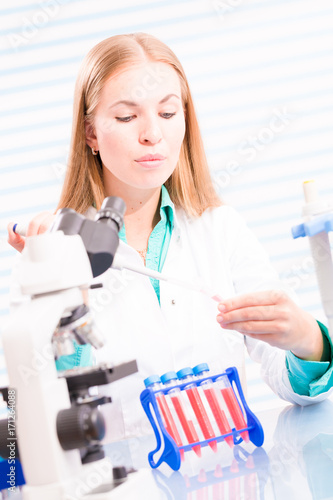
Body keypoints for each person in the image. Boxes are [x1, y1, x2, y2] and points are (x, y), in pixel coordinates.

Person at [7, 33, 333, 441]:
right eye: (127, 118)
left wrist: (306, 339)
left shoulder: (220, 229)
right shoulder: (54, 250)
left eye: (167, 112)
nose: (151, 134)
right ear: (90, 133)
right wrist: (66, 297)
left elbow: (294, 386)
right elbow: (38, 424)